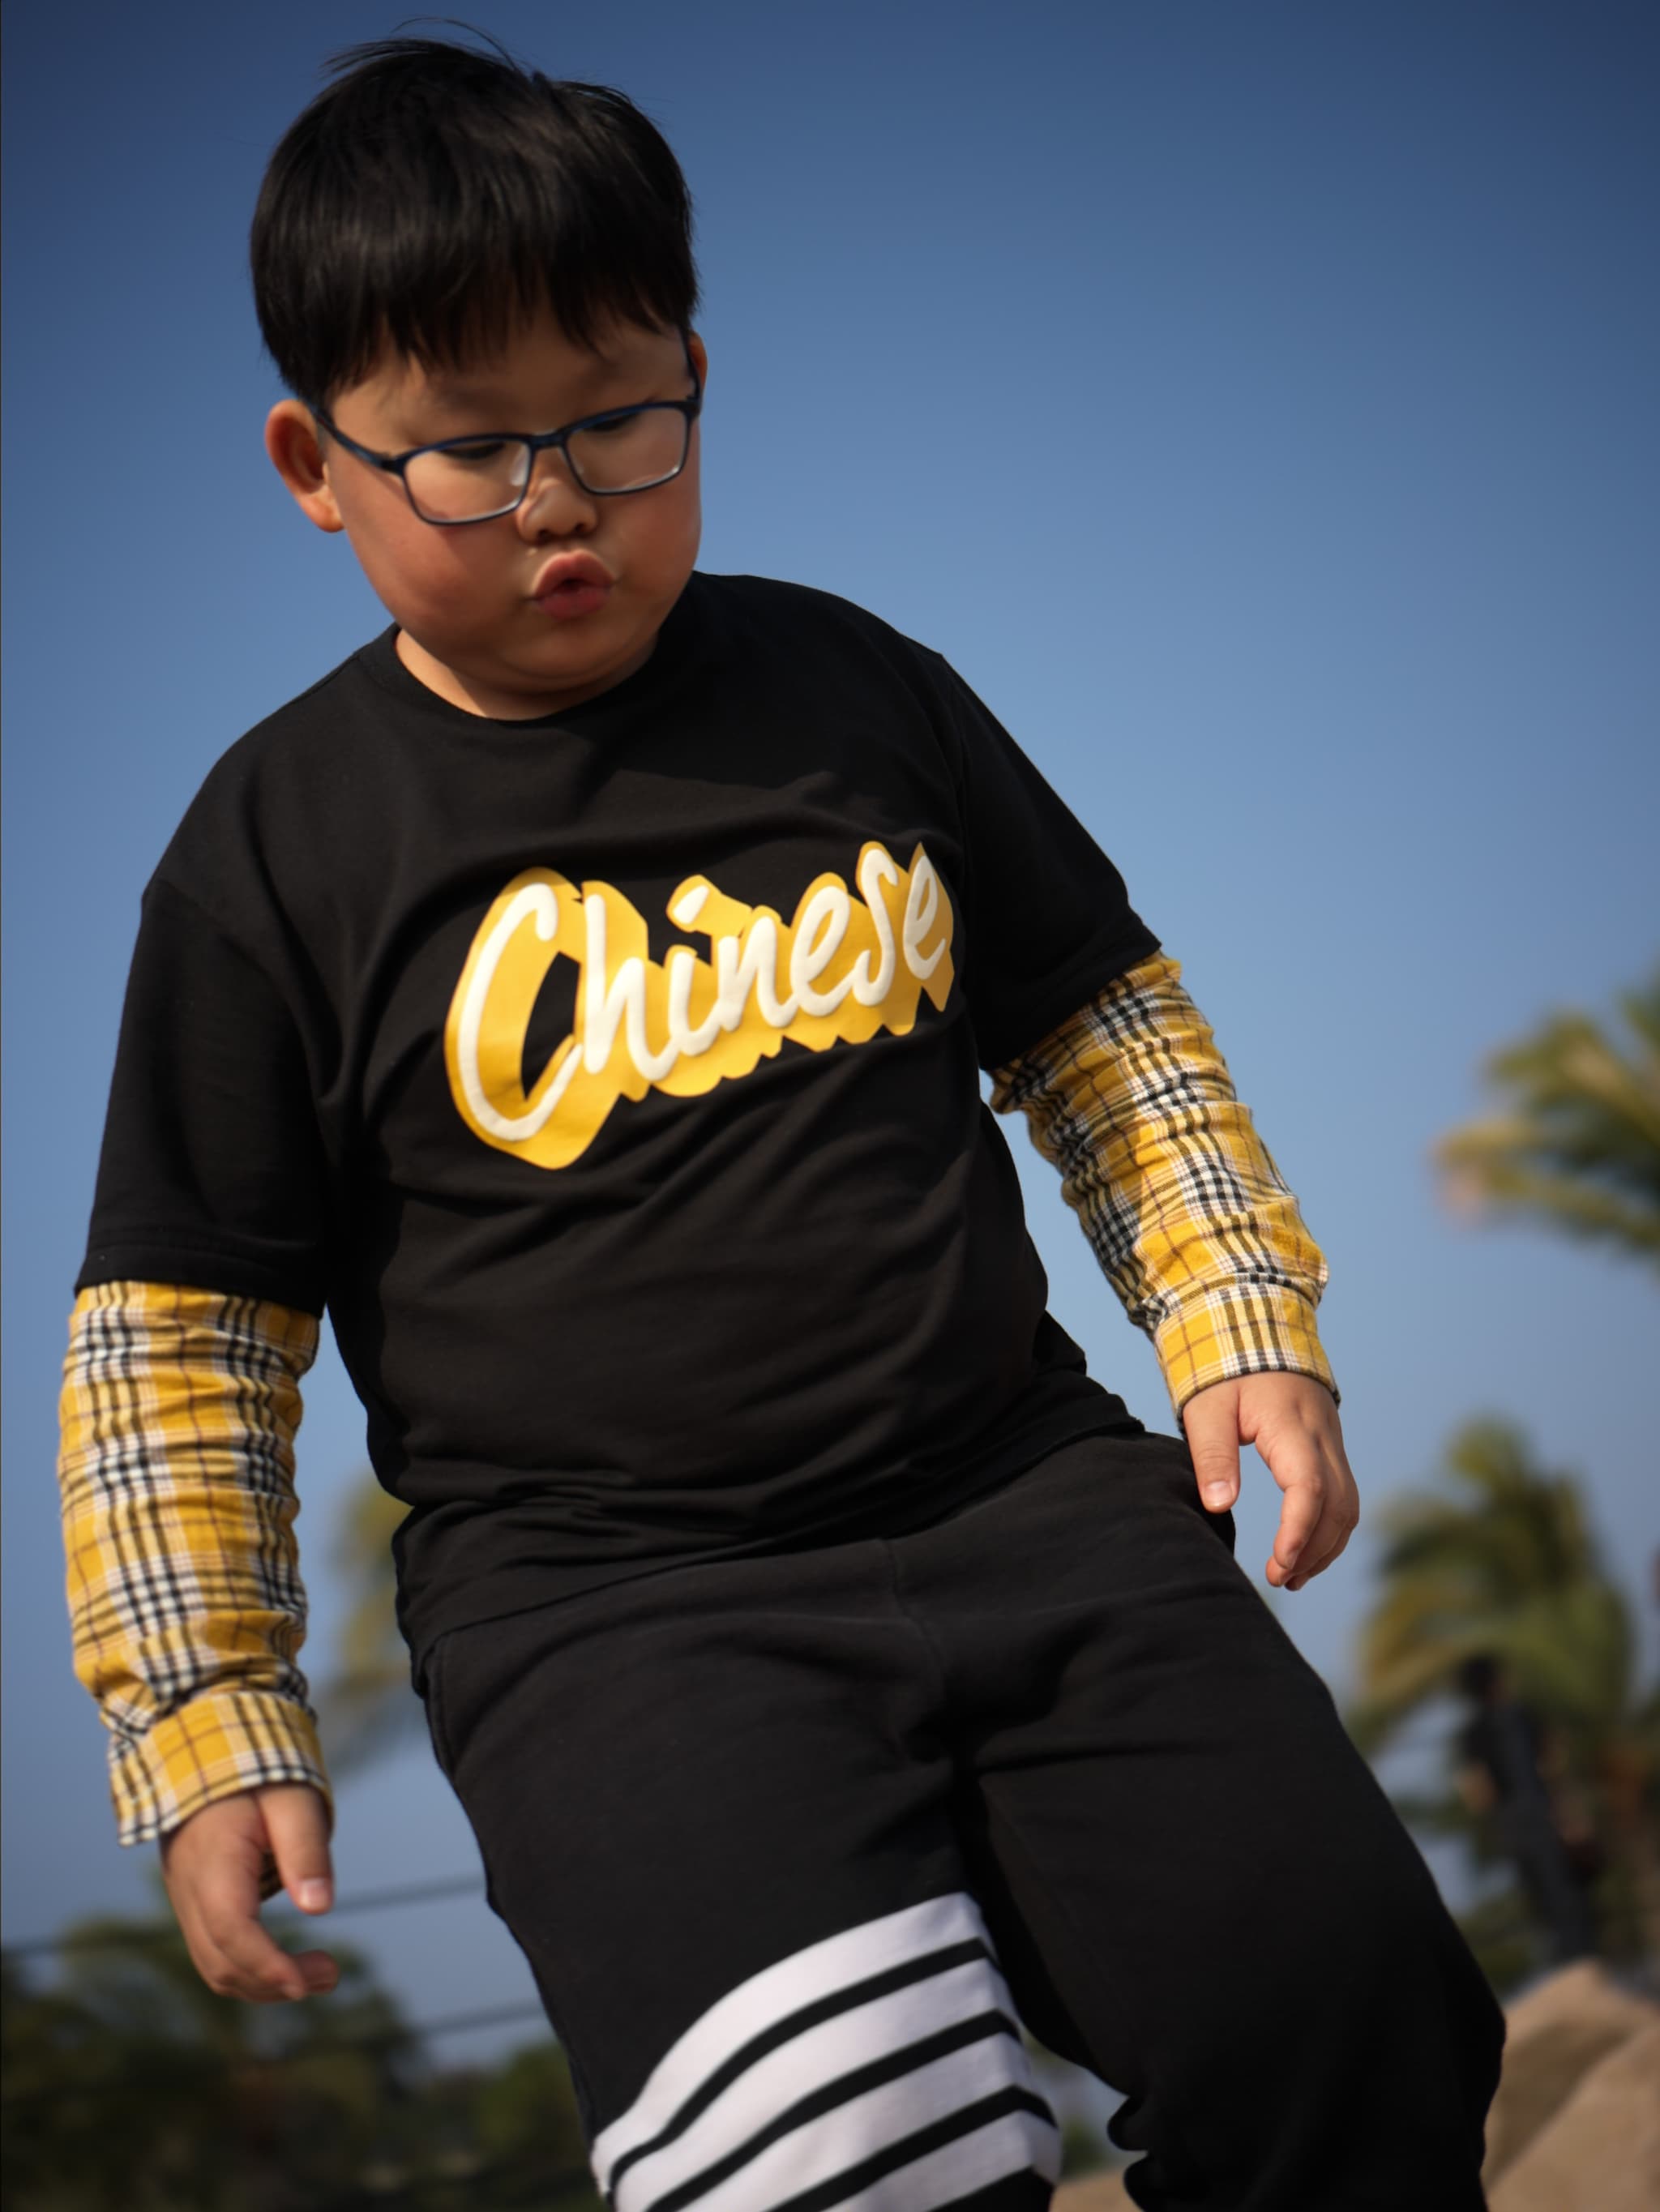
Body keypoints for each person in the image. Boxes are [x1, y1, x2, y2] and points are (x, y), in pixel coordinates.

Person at [57, 33, 1504, 2210]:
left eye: (620, 419)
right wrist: (205, 1721)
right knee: (847, 2152)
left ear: (696, 375)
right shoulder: (271, 852)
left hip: (1031, 1495)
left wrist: (1234, 1307)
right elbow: (179, 1336)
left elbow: (1104, 1031)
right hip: (616, 1620)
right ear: (314, 463)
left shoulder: (855, 690)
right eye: (468, 449)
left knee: (1353, 2009)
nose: (559, 495)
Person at [1456, 1654, 1600, 1966]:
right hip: (1548, 1817)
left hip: (1516, 1828)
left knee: (1546, 1908)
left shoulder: (1473, 1734)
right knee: (1573, 1903)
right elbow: (1555, 1764)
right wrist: (1573, 1816)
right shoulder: (1524, 1715)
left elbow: (1478, 1794)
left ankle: (1573, 1971)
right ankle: (1586, 1965)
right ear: (1498, 1679)